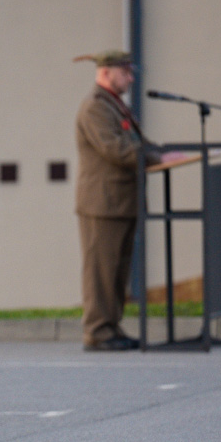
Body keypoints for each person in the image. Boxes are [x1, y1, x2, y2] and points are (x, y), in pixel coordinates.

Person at [73, 50, 177, 351]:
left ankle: (110, 327)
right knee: (100, 272)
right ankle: (97, 331)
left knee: (116, 273)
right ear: (106, 73)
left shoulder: (114, 106)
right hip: (102, 205)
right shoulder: (95, 108)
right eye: (126, 72)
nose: (131, 78)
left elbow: (137, 143)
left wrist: (164, 153)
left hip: (121, 202)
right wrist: (158, 157)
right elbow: (116, 150)